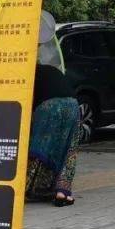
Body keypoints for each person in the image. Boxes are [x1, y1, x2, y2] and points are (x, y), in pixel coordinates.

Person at [26, 62, 80, 207]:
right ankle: (62, 192)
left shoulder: (27, 74)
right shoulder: (50, 69)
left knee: (40, 146)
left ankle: (27, 187)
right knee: (68, 149)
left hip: (49, 108)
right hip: (73, 106)